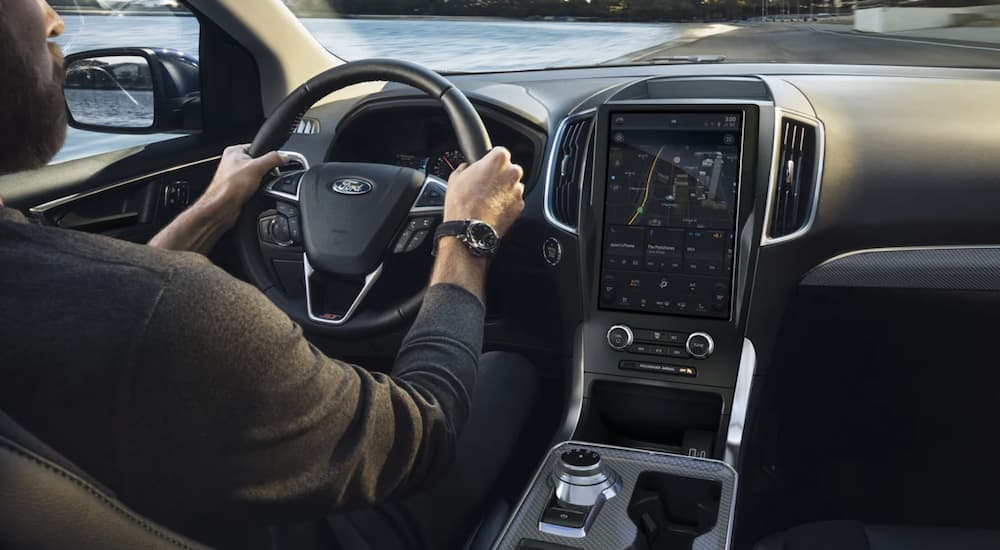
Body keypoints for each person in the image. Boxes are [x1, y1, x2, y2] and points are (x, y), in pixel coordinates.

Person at [0, 1, 536, 549]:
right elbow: (423, 428)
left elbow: (110, 303)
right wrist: (467, 233)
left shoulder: (61, 289)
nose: (53, 18)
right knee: (511, 370)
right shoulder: (183, 312)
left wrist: (213, 208)